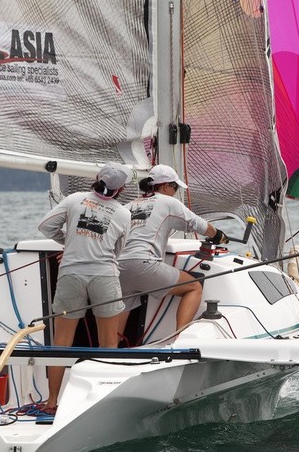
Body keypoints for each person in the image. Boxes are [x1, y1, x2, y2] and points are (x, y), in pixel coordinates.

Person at [36, 162, 133, 413]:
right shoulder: (123, 213)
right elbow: (118, 251)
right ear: (121, 189)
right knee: (108, 344)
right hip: (104, 276)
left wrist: (68, 243)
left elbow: (45, 227)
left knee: (61, 342)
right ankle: (102, 404)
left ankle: (51, 401)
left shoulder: (74, 199)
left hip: (71, 276)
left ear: (97, 177)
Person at [118, 164, 228, 337]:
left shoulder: (127, 206)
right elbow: (199, 225)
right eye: (175, 188)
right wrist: (218, 235)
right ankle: (179, 339)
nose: (175, 192)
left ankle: (110, 354)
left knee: (114, 336)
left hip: (118, 269)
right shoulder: (168, 202)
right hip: (144, 265)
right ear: (166, 186)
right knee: (193, 288)